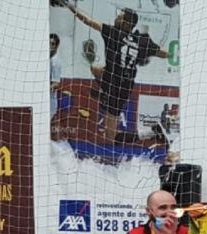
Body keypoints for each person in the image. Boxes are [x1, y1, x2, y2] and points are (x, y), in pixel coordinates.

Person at [64, 2, 167, 144]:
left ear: (126, 23)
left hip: (116, 87)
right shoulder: (142, 41)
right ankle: (103, 94)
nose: (116, 19)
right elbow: (164, 54)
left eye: (119, 17)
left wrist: (70, 6)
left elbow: (87, 20)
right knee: (96, 69)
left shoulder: (113, 32)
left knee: (110, 136)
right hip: (124, 83)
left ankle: (152, 131)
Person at [50, 33, 62, 119]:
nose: (50, 46)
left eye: (53, 44)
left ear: (57, 46)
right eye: (49, 43)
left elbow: (56, 84)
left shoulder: (55, 62)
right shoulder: (46, 59)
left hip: (50, 102)